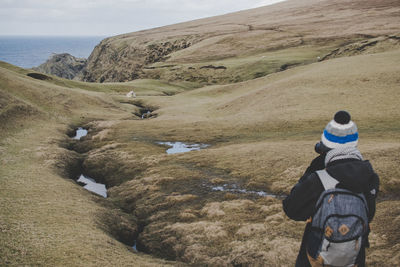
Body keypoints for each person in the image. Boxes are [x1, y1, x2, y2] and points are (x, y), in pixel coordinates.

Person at [282, 111, 379, 267]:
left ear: (326, 143)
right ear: (354, 143)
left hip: (315, 257)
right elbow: (369, 215)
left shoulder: (319, 177)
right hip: (354, 257)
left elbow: (291, 208)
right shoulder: (370, 176)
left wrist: (313, 169)